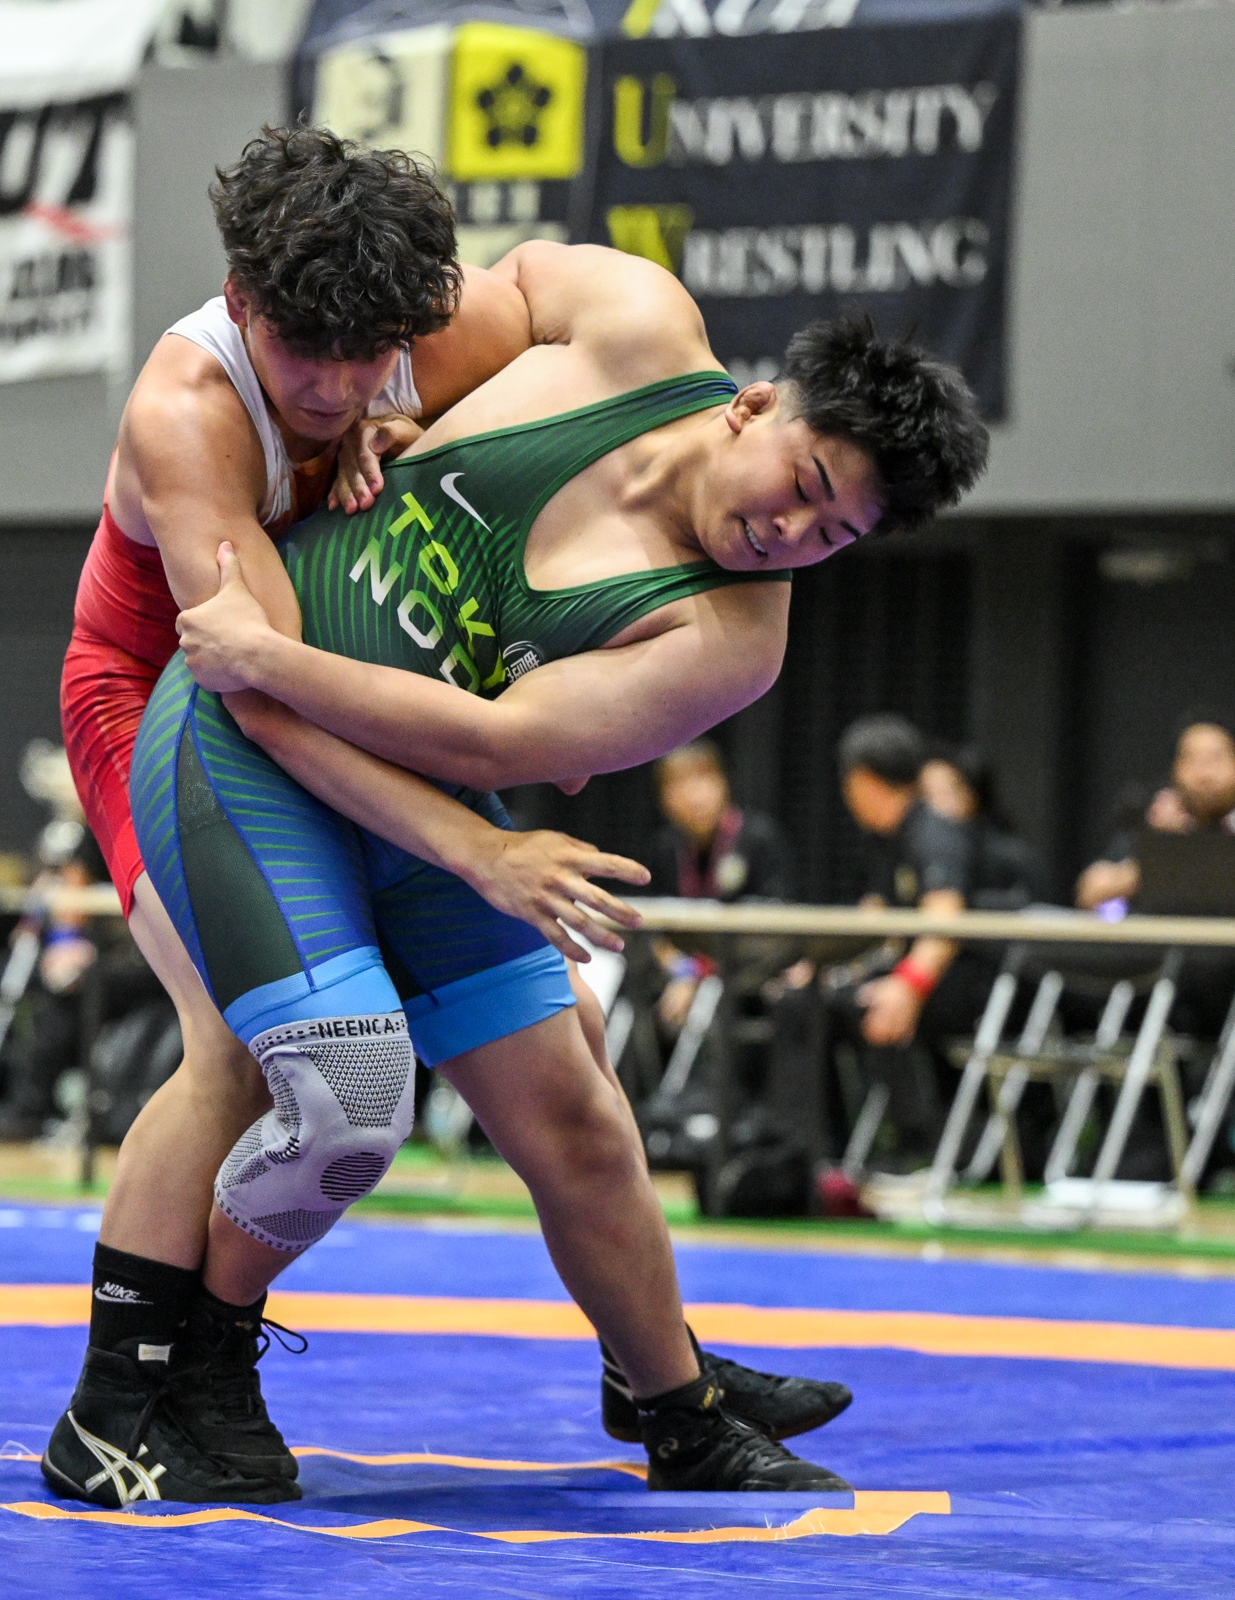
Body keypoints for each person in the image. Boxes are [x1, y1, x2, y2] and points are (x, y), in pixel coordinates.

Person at [112, 235, 985, 1504]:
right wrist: (374, 412)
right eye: (802, 484)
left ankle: (674, 1405)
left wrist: (276, 659)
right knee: (326, 1085)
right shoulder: (632, 318)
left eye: (832, 535)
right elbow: (429, 310)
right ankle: (192, 1354)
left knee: (575, 1106)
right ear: (754, 404)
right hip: (236, 732)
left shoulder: (730, 637)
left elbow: (494, 741)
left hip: (392, 769)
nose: (789, 531)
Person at [51, 128, 802, 1509]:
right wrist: (473, 843)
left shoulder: (396, 335)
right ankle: (122, 1398)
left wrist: (398, 421)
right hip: (173, 695)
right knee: (236, 1049)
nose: (338, 390)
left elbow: (501, 317)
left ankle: (658, 1364)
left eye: (372, 361)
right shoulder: (191, 407)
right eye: (308, 360)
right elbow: (259, 688)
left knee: (570, 1051)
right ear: (241, 297)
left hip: (345, 710)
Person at [645, 739, 792, 1034]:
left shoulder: (759, 838)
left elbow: (772, 927)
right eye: (680, 785)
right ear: (664, 799)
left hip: (747, 978)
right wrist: (685, 971)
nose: (695, 796)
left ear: (723, 784)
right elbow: (655, 933)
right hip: (681, 975)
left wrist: (702, 975)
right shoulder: (663, 848)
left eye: (703, 780)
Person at [1075, 715, 1235, 912]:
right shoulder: (1151, 830)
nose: (1203, 774)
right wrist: (1164, 850)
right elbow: (1091, 891)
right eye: (1191, 759)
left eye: (1216, 758)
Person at [920, 744, 1041, 909]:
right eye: (925, 793)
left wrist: (962, 901)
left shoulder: (1009, 857)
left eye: (946, 792)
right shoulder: (911, 847)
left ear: (973, 794)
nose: (934, 804)